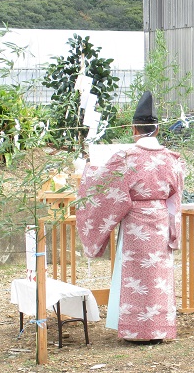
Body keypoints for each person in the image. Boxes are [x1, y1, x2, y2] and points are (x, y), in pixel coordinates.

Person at [76, 91, 184, 342]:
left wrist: (87, 170)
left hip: (136, 221)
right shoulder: (172, 159)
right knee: (158, 277)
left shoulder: (126, 157)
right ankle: (158, 329)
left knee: (136, 275)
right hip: (160, 220)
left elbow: (103, 185)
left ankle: (136, 331)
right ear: (157, 130)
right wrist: (173, 228)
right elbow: (175, 196)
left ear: (134, 129)